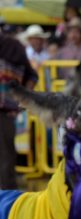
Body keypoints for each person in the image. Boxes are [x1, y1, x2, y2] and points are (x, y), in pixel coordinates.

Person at [0, 35, 38, 189]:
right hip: (7, 111)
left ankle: (7, 200)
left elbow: (32, 76)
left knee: (5, 158)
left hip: (5, 112)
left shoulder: (13, 46)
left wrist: (20, 100)